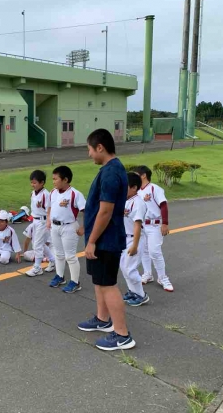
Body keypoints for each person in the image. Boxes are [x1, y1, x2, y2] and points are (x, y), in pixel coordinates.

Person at [78, 128, 135, 351]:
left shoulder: (111, 172)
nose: (89, 154)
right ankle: (103, 319)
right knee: (100, 282)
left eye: (90, 149)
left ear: (100, 147)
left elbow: (105, 211)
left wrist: (92, 241)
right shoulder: (110, 169)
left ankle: (122, 335)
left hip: (105, 240)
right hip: (101, 237)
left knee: (108, 285)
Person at [46, 166, 86, 293]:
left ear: (65, 180)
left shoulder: (75, 194)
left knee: (70, 256)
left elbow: (86, 211)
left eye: (55, 179)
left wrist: (83, 227)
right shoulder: (53, 192)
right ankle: (60, 276)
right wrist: (48, 220)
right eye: (53, 179)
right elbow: (50, 208)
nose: (53, 181)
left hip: (69, 227)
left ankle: (75, 282)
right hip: (55, 226)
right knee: (58, 254)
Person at [134, 165, 173, 292]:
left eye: (136, 174)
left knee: (155, 252)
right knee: (144, 251)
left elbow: (163, 205)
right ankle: (147, 274)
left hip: (155, 224)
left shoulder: (154, 189)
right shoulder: (137, 192)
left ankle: (162, 277)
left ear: (143, 175)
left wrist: (165, 223)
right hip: (142, 225)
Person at [121, 172, 150, 307]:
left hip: (135, 239)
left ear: (134, 188)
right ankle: (133, 291)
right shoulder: (124, 200)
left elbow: (137, 225)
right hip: (124, 238)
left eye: (124, 186)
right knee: (124, 267)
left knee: (130, 269)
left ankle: (141, 295)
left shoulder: (138, 203)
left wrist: (135, 246)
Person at [25, 170, 52, 277]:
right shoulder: (33, 193)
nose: (33, 185)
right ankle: (53, 260)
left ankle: (37, 267)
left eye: (35, 182)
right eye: (31, 182)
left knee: (37, 244)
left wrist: (48, 222)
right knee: (38, 243)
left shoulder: (46, 194)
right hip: (35, 220)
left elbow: (50, 209)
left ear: (42, 183)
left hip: (43, 221)